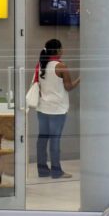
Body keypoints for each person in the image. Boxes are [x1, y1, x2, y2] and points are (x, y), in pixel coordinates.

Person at [35, 38, 80, 179]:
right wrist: (80, 79)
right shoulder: (61, 66)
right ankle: (56, 170)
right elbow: (69, 87)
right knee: (55, 140)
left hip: (42, 107)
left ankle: (42, 170)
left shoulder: (41, 65)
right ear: (58, 50)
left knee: (42, 139)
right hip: (57, 109)